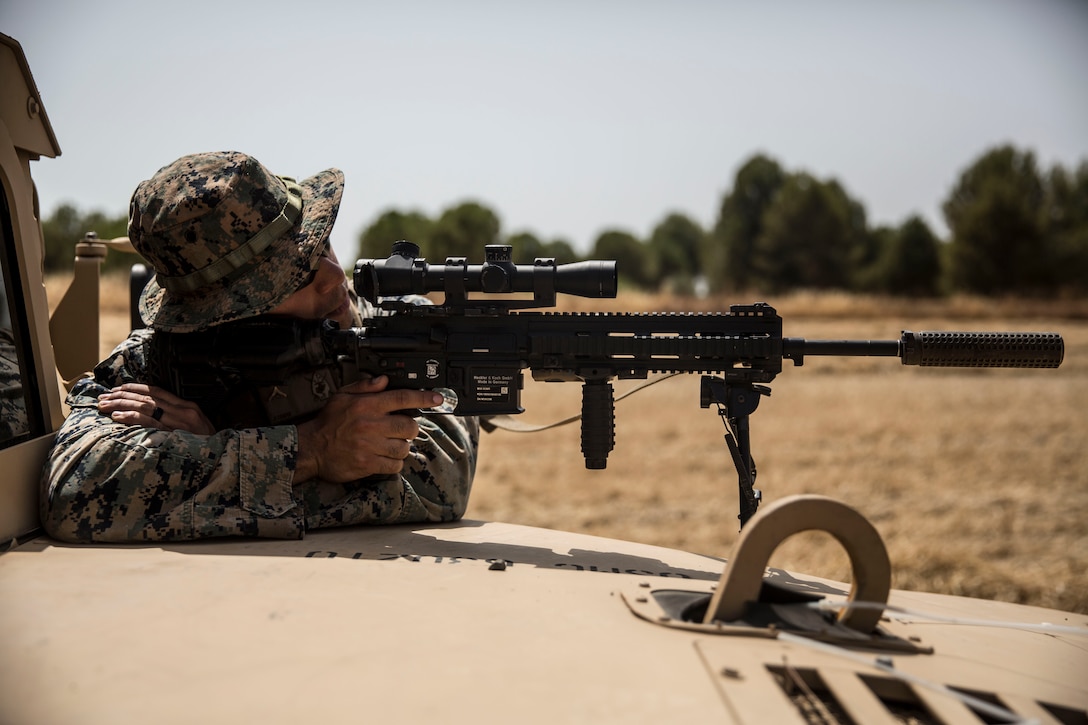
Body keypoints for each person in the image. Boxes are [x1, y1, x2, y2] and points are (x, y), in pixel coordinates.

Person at [40, 151, 479, 542]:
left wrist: (214, 456)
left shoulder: (399, 326)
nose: (332, 276)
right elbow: (76, 490)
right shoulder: (154, 363)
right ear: (220, 315)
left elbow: (439, 477)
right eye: (293, 276)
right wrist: (310, 451)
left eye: (322, 243)